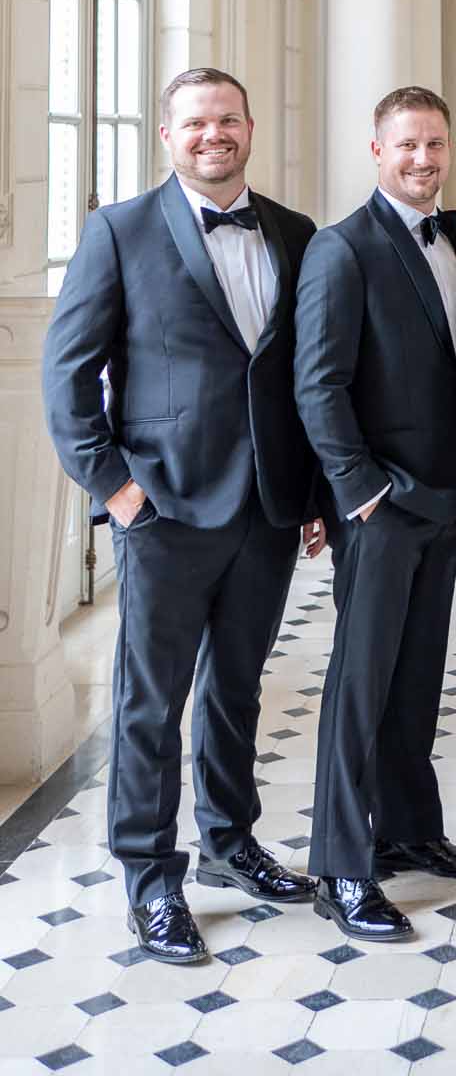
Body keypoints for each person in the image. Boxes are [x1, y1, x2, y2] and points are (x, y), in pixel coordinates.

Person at [42, 68, 321, 966]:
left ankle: (231, 844)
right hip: (161, 507)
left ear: (250, 127)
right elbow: (67, 374)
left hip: (267, 507)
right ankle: (149, 875)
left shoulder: (294, 232)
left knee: (237, 687)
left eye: (229, 119)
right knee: (150, 703)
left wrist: (311, 494)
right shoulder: (119, 230)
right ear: (169, 134)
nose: (215, 134)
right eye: (196, 122)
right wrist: (116, 489)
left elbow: (303, 379)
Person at [293, 86, 456, 942]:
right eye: (407, 146)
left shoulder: (453, 244)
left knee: (417, 676)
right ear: (376, 151)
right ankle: (341, 867)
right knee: (360, 685)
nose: (423, 160)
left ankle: (410, 831)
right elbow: (318, 384)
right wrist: (360, 491)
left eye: (435, 145)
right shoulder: (342, 249)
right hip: (379, 507)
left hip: (443, 497)